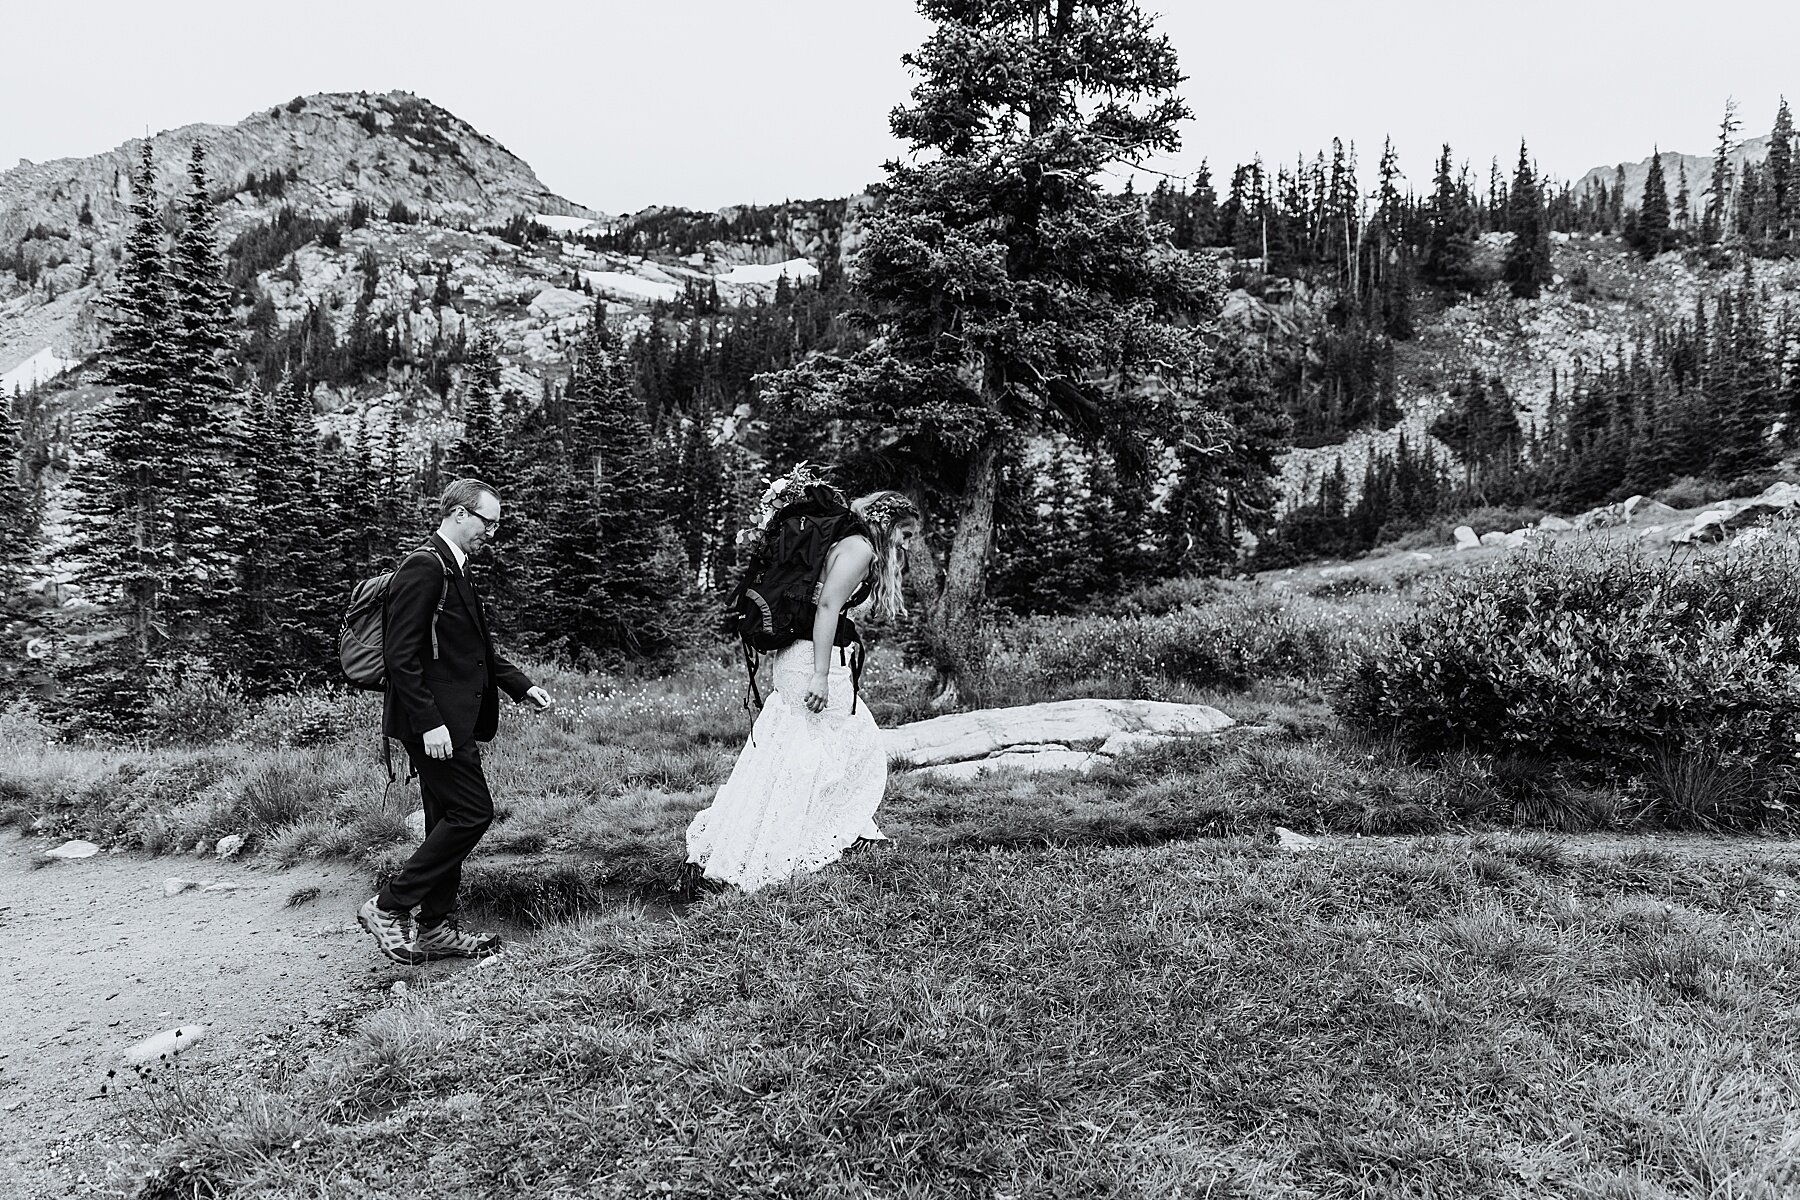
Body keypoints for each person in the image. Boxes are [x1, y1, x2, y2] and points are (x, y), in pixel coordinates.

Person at [686, 480, 923, 893]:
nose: (908, 545)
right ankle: (787, 845)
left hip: (800, 657)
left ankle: (848, 832)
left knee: (804, 745)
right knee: (849, 745)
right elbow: (827, 606)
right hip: (814, 661)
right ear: (887, 525)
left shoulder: (846, 541)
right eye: (906, 535)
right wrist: (819, 674)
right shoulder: (860, 548)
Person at [358, 478, 551, 963]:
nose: (492, 532)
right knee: (473, 813)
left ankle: (434, 927)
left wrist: (522, 686)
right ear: (459, 514)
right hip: (436, 725)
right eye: (488, 522)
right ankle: (389, 905)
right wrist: (430, 724)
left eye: (496, 524)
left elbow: (477, 652)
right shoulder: (424, 568)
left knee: (446, 819)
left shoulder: (454, 568)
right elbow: (400, 658)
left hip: (450, 721)